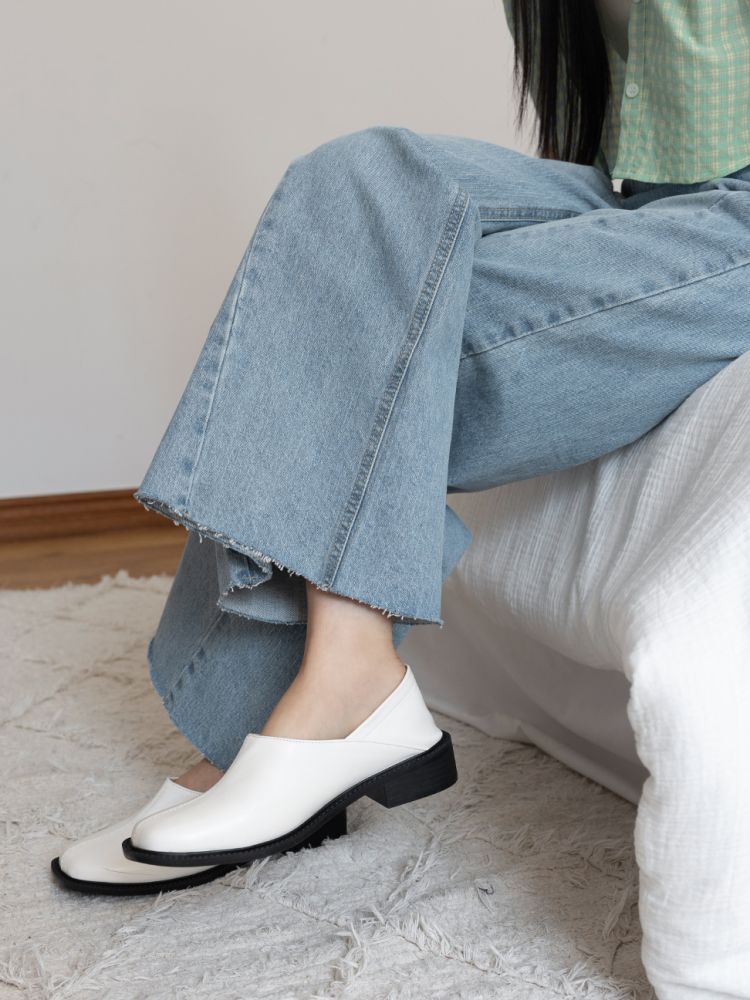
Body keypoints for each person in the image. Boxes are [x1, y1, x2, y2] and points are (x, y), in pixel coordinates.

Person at [52, 0, 750, 896]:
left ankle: (306, 716)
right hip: (638, 200)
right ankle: (334, 686)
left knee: (361, 327)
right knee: (360, 184)